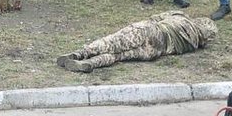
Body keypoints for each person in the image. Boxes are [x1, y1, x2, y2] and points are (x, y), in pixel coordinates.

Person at [57, 11, 218, 73]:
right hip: (156, 51)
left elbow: (155, 17)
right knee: (118, 56)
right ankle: (92, 63)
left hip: (153, 31)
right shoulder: (193, 44)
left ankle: (80, 54)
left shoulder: (180, 16)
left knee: (112, 42)